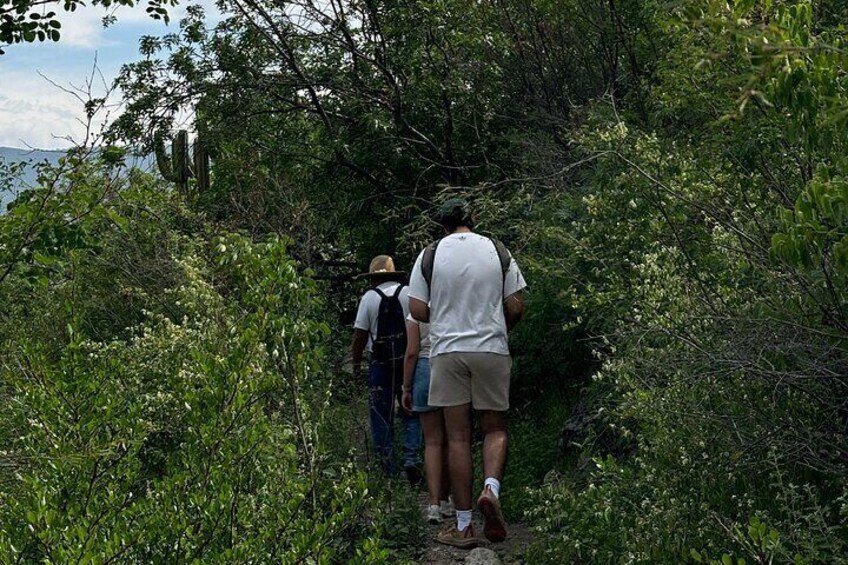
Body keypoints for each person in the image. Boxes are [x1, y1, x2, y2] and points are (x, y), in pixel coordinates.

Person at [408, 198, 526, 549]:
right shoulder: (496, 248)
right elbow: (517, 302)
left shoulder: (429, 254)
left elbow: (416, 308)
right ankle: (491, 488)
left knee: (457, 437)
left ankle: (462, 527)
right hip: (491, 346)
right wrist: (500, 327)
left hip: (447, 350)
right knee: (495, 427)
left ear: (442, 224)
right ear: (472, 220)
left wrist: (445, 313)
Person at [351, 255, 423, 483]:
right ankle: (412, 459)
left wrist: (355, 364)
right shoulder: (408, 292)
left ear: (372, 278)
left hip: (380, 363)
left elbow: (359, 336)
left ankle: (387, 469)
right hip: (407, 361)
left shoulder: (369, 298)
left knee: (381, 416)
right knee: (411, 411)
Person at [401, 314, 454, 524]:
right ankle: (447, 499)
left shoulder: (416, 312)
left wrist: (406, 387)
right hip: (450, 365)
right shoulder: (450, 299)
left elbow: (412, 352)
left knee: (432, 441)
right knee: (454, 440)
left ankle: (433, 505)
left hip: (425, 368)